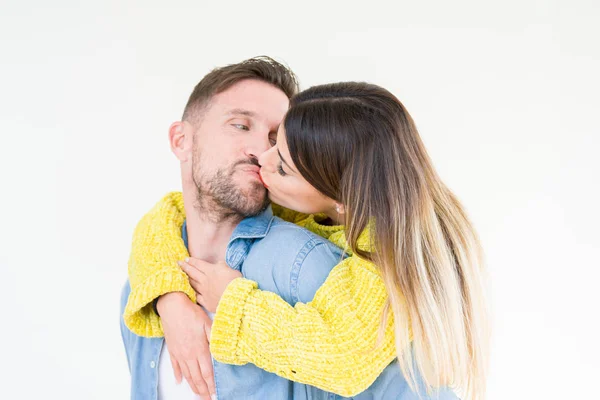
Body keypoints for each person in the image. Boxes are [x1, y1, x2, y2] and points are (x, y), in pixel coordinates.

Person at [125, 82, 489, 398]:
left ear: (341, 200)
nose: (260, 159)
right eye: (272, 142)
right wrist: (170, 299)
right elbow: (169, 214)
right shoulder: (319, 203)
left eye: (281, 164)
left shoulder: (381, 262)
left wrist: (234, 302)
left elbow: (342, 358)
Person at [120, 57, 347, 400]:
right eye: (241, 125)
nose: (261, 150)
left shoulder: (307, 267)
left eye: (275, 139)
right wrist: (168, 297)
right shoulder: (143, 288)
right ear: (181, 140)